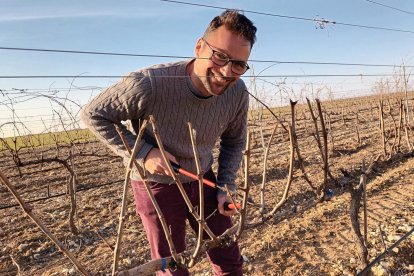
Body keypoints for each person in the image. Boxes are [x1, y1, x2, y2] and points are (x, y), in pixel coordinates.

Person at [81, 9, 257, 276]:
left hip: (203, 178)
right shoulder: (150, 84)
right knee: (172, 266)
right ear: (199, 46)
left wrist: (226, 185)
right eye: (220, 55)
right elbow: (93, 114)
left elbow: (234, 141)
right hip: (156, 187)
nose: (226, 71)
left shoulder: (237, 92)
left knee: (228, 255)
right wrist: (145, 152)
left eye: (238, 64)